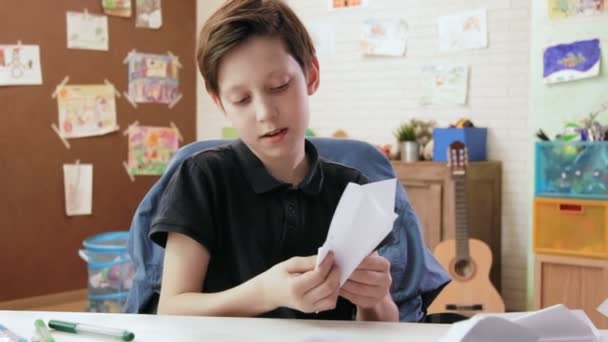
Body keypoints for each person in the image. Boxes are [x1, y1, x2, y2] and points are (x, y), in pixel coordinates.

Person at [149, 0, 398, 321]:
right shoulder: (202, 178)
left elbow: (382, 324)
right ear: (220, 102)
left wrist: (373, 301)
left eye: (279, 86)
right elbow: (172, 309)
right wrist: (265, 293)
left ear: (311, 74)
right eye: (241, 99)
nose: (265, 113)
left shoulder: (351, 189)